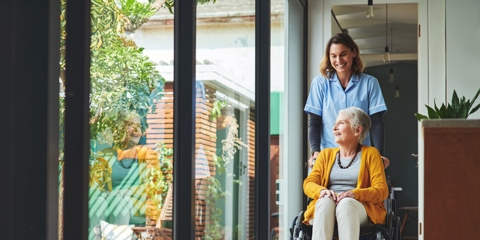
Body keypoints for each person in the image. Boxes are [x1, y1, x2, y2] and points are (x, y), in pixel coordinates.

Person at [304, 33, 390, 169]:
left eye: (343, 54)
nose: (338, 60)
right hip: (328, 158)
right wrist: (315, 152)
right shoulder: (320, 83)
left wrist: (379, 154)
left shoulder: (370, 83)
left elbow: (377, 123)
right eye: (333, 56)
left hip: (361, 158)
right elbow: (314, 122)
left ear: (354, 52)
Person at [303, 107, 389, 240]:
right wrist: (321, 191)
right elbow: (309, 183)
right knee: (325, 201)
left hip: (358, 207)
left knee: (346, 203)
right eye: (334, 124)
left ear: (357, 130)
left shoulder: (371, 154)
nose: (334, 128)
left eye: (341, 123)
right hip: (326, 207)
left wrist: (355, 194)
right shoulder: (325, 155)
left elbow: (381, 190)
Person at [89, 111, 158, 239]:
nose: (137, 129)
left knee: (119, 202)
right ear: (119, 129)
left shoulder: (148, 155)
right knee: (96, 202)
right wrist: (102, 192)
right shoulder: (105, 155)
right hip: (111, 200)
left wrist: (125, 192)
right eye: (131, 125)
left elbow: (154, 187)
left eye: (138, 125)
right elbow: (95, 185)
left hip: (139, 206)